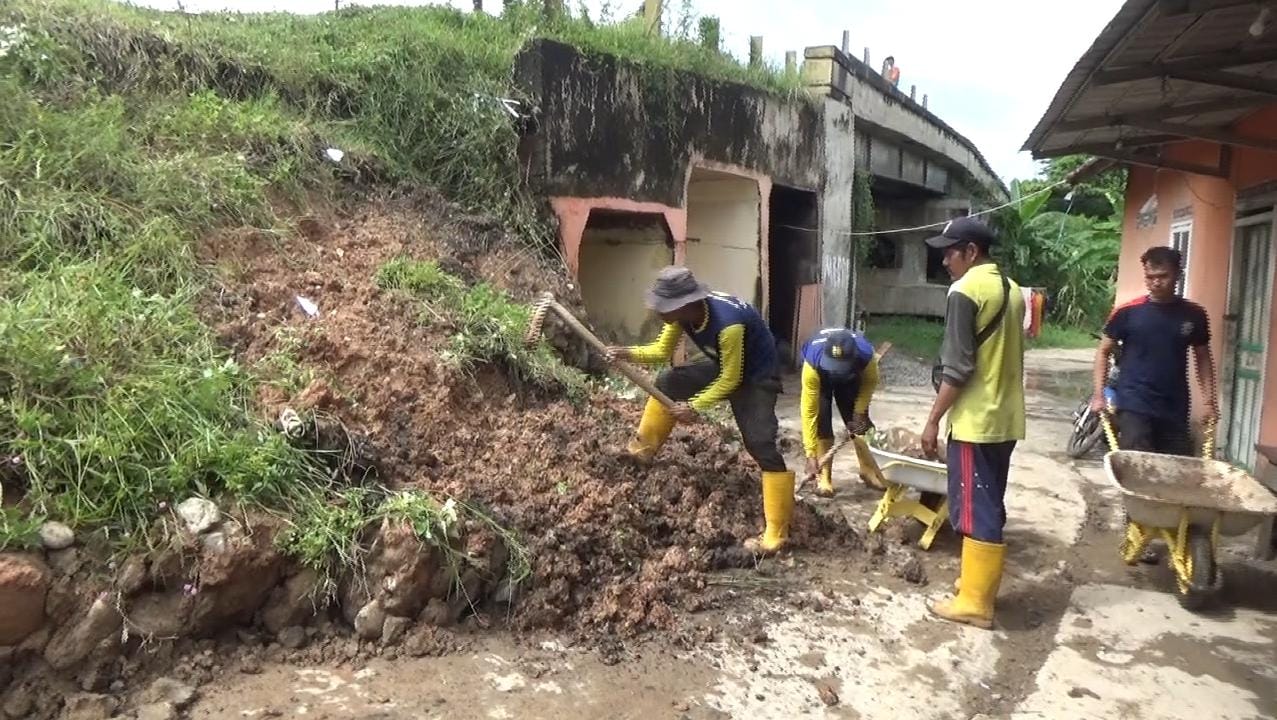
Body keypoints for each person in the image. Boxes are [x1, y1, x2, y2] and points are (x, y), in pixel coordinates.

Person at [607, 266, 793, 556]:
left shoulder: (728, 324)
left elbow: (731, 380)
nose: (658, 312)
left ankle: (777, 532)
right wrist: (626, 353)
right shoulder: (683, 316)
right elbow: (660, 351)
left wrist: (694, 407)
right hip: (727, 366)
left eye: (663, 306)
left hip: (757, 377)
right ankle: (641, 450)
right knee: (670, 381)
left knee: (760, 443)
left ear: (684, 303)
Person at [919, 217, 1025, 630]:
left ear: (971, 252)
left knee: (974, 509)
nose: (945, 261)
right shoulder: (1012, 289)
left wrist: (933, 420)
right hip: (1007, 418)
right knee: (990, 501)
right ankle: (977, 585)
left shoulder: (964, 291)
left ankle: (976, 604)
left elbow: (959, 368)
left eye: (950, 252)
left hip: (976, 421)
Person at [1090, 246, 1218, 562]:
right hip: (1134, 404)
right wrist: (1099, 395)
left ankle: (1175, 533)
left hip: (1175, 406)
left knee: (1177, 474)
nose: (1155, 282)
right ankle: (1138, 533)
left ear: (1177, 275)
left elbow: (1203, 358)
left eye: (1163, 276)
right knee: (1138, 473)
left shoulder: (1193, 315)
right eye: (1150, 276)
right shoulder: (1128, 312)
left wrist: (1209, 401)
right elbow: (1103, 351)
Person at [798, 328, 879, 497]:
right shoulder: (813, 363)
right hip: (821, 379)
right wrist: (810, 454)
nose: (837, 371)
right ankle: (824, 478)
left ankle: (869, 470)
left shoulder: (866, 356)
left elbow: (869, 384)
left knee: (861, 426)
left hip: (851, 380)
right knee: (822, 423)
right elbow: (809, 411)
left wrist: (859, 412)